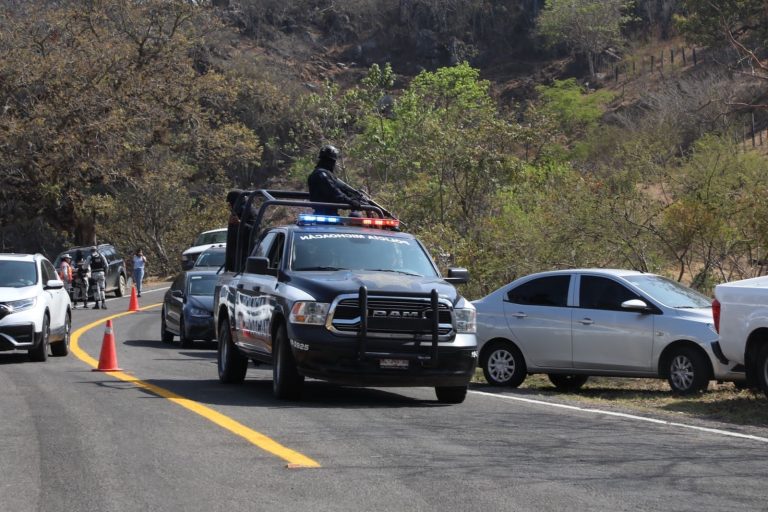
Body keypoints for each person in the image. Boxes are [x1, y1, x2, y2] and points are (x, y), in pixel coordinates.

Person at [307, 144, 365, 216]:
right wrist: (350, 201)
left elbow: (340, 190)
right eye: (332, 161)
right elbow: (334, 193)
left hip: (329, 213)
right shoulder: (321, 175)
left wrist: (352, 196)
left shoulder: (325, 174)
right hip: (324, 214)